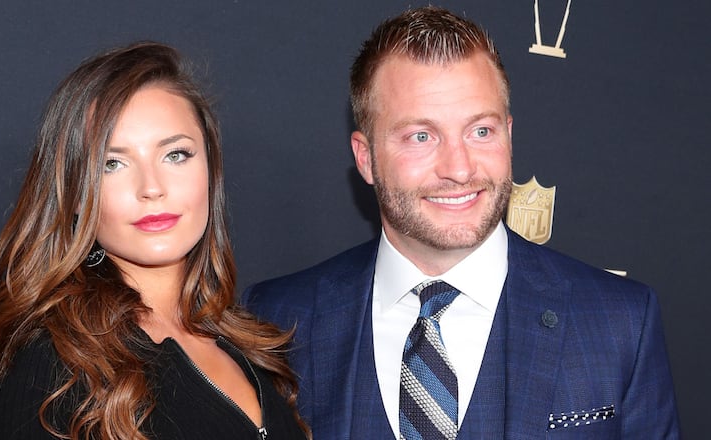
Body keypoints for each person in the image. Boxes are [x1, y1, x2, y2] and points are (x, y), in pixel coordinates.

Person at [243, 6, 680, 439]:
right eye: (421, 136)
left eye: (481, 131)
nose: (458, 168)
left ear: (509, 133)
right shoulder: (277, 320)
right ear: (366, 158)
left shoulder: (619, 321)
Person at [0, 42, 309, 440]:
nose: (151, 188)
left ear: (211, 168)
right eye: (113, 163)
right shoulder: (55, 368)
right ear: (73, 194)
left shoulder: (251, 346)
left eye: (175, 155)